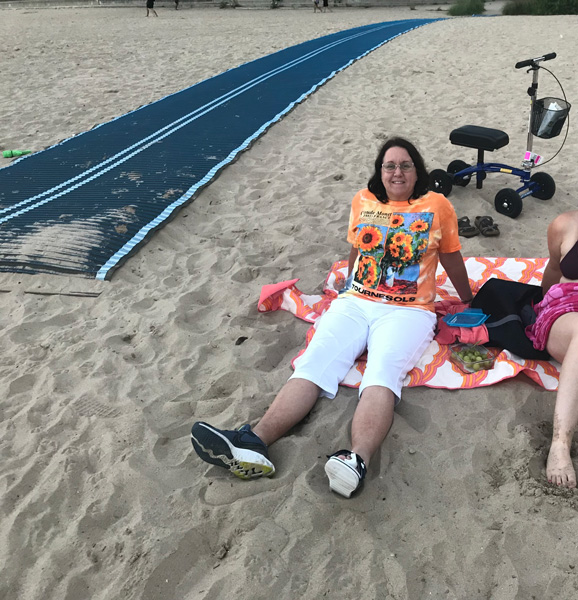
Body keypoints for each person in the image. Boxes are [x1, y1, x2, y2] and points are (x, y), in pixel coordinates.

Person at [191, 137, 473, 498]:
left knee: (382, 372)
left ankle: (357, 459)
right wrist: (345, 288)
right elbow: (356, 248)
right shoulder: (363, 200)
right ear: (380, 171)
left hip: (408, 311)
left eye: (405, 165)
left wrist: (466, 299)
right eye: (390, 165)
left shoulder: (437, 205)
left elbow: (450, 256)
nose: (397, 172)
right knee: (314, 362)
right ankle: (254, 441)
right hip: (356, 301)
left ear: (417, 170)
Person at [526, 210, 578, 488]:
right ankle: (560, 442)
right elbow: (555, 271)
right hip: (568, 311)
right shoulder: (566, 224)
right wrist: (537, 307)